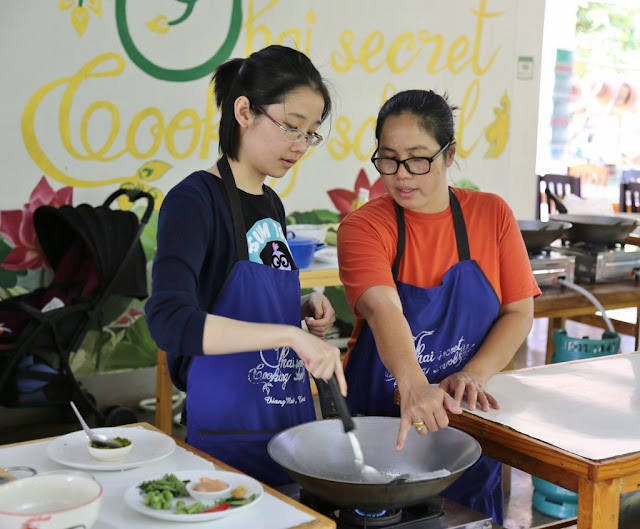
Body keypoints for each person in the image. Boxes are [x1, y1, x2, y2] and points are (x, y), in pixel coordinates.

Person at [146, 45, 347, 487]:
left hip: (290, 430)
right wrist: (288, 334)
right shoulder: (193, 201)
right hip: (228, 443)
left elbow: (242, 299)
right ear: (243, 111)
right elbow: (169, 321)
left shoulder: (271, 203)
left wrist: (301, 310)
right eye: (292, 127)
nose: (301, 146)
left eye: (311, 134)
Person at [337, 89, 540, 523]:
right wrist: (413, 385)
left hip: (464, 423)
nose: (401, 175)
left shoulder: (492, 215)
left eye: (417, 158)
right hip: (379, 432)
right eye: (388, 158)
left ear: (449, 154)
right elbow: (384, 308)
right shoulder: (364, 227)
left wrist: (473, 374)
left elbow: (519, 312)